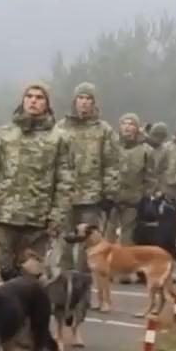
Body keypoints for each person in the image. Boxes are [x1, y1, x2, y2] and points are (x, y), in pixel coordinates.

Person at [0, 82, 74, 281]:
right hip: (5, 216)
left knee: (31, 274)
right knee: (5, 270)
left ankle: (31, 311)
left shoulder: (58, 139)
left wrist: (57, 216)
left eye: (39, 98)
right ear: (22, 100)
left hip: (38, 219)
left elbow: (64, 181)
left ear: (47, 104)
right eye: (29, 96)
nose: (33, 101)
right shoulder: (3, 135)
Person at [56, 82, 119, 273]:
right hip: (64, 194)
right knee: (63, 244)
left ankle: (81, 293)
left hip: (91, 196)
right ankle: (62, 291)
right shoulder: (61, 127)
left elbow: (111, 162)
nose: (84, 103)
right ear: (74, 101)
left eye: (88, 99)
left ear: (94, 103)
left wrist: (109, 192)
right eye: (81, 98)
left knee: (88, 247)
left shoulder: (104, 130)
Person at [111, 112, 156, 245]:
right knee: (107, 235)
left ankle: (124, 264)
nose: (127, 127)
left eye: (131, 124)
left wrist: (145, 197)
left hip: (133, 200)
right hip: (111, 198)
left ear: (137, 128)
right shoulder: (111, 146)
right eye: (124, 123)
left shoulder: (146, 151)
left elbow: (151, 177)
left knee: (128, 237)